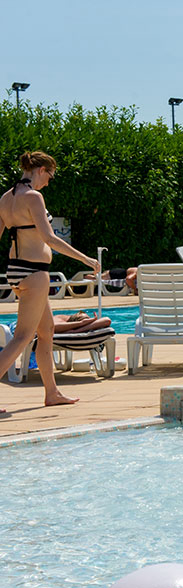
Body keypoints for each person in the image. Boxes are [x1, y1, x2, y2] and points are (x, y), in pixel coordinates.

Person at [0, 152, 100, 412]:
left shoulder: (5, 198)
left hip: (17, 269)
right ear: (41, 169)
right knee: (22, 336)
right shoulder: (33, 197)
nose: (49, 182)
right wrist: (86, 259)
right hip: (34, 272)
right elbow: (50, 238)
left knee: (46, 333)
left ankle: (52, 393)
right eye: (50, 176)